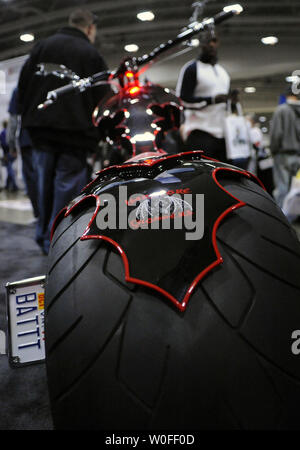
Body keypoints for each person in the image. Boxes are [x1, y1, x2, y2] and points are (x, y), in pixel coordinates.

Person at [18, 8, 109, 254]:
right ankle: (55, 240)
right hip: (75, 134)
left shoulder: (41, 47)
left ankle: (42, 236)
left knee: (43, 183)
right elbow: (102, 97)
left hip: (40, 131)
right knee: (66, 186)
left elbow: (23, 86)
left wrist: (27, 120)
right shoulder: (91, 54)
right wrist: (102, 132)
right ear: (90, 28)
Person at [176, 28, 232, 162]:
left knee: (224, 179)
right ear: (201, 43)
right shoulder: (192, 68)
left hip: (223, 134)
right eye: (208, 41)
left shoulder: (223, 72)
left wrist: (232, 101)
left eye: (214, 41)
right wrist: (211, 100)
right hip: (199, 133)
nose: (211, 44)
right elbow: (182, 100)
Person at [7, 87, 39, 218]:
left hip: (27, 139)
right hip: (51, 139)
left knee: (32, 179)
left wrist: (11, 144)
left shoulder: (20, 89)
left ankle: (39, 216)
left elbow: (13, 120)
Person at [270, 86, 300, 209]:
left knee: (282, 188)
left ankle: (281, 219)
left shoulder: (281, 110)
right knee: (297, 187)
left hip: (283, 154)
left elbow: (276, 134)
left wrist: (273, 150)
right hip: (298, 155)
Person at [0, 120, 19, 192]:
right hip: (12, 152)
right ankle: (9, 185)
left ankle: (13, 185)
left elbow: (3, 144)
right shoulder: (9, 132)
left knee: (9, 169)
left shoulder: (2, 133)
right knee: (10, 169)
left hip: (7, 153)